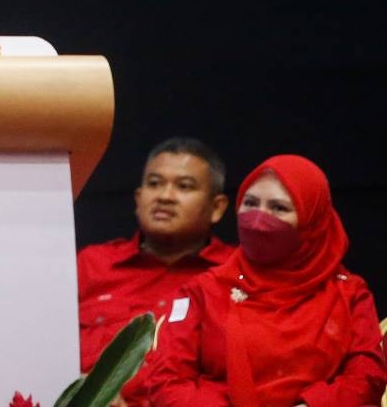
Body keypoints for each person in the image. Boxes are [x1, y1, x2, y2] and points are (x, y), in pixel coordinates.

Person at [146, 154, 387, 406]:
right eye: (250, 203)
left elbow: (367, 377)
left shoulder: (349, 294)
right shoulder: (202, 291)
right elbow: (166, 381)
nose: (258, 220)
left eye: (278, 208)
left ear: (311, 221)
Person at [76, 137, 233, 405]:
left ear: (217, 207)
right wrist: (87, 390)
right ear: (138, 198)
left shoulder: (235, 275)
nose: (165, 196)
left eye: (184, 186)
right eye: (154, 183)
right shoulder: (90, 265)